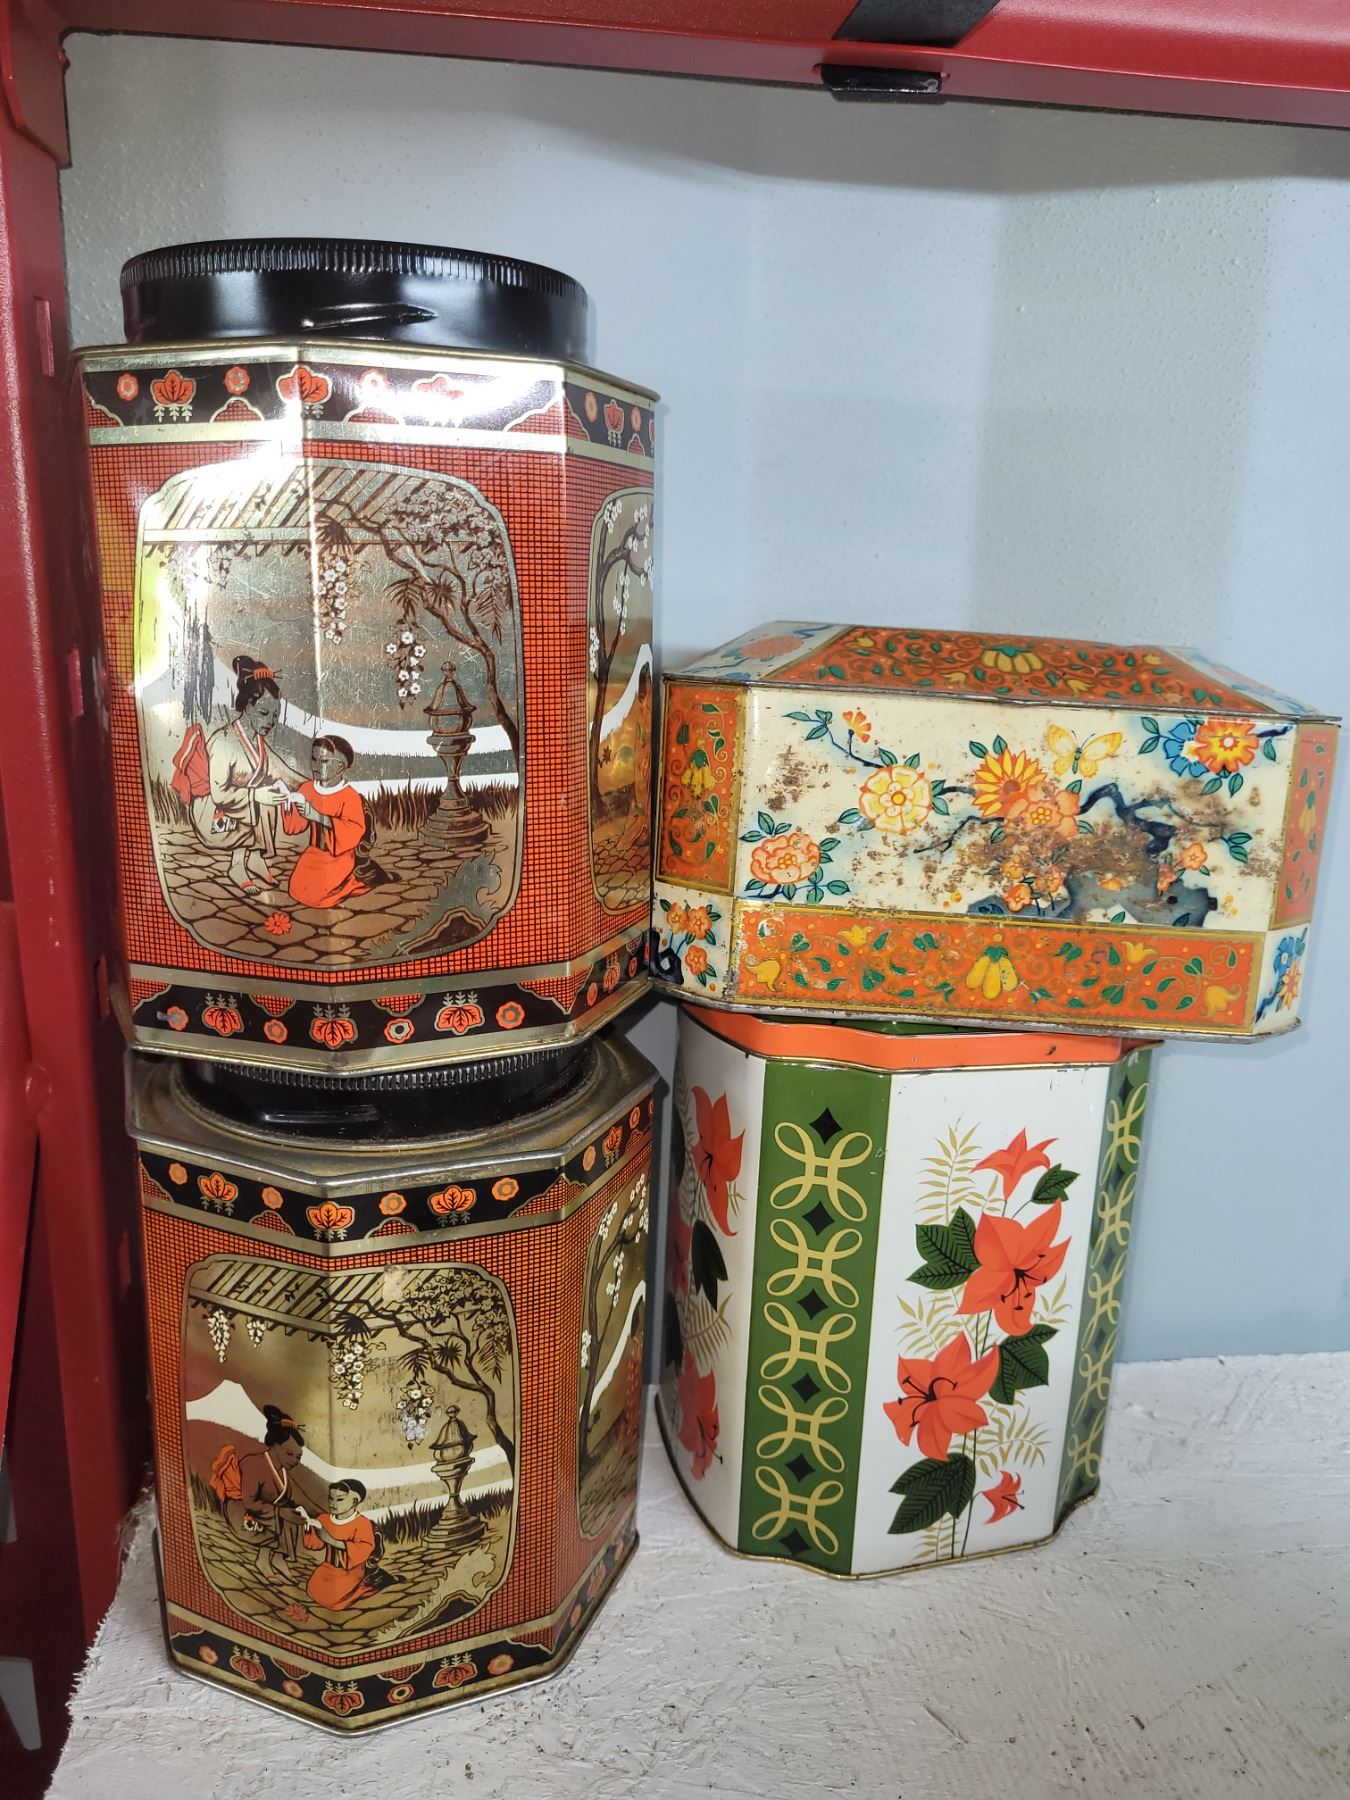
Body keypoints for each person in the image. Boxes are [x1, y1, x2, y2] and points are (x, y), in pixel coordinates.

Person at [171, 656, 304, 893]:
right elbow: (219, 795)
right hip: (211, 812)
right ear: (248, 706)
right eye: (264, 712)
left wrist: (313, 787)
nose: (271, 721)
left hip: (234, 808)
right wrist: (255, 796)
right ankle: (237, 866)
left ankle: (255, 858)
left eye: (275, 715)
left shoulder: (258, 743)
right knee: (260, 796)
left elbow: (282, 771)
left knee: (270, 791)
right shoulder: (224, 740)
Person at [209, 1405, 317, 1582]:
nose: (294, 1460)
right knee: (282, 1515)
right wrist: (280, 1512)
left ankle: (279, 1558)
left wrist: (322, 1516)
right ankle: (263, 1560)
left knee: (292, 1514)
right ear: (275, 1446)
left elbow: (300, 1498)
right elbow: (249, 1502)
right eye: (289, 1453)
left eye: (298, 1457)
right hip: (242, 1513)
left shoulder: (283, 1473)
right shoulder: (253, 1464)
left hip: (263, 1512)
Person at [281, 735, 377, 908]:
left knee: (317, 896)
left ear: (340, 766)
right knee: (296, 889)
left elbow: (354, 830)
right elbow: (293, 827)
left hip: (338, 857)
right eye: (314, 759)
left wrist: (318, 816)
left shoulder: (349, 796)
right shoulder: (307, 788)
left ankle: (352, 882)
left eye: (324, 761)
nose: (316, 766)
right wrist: (287, 801)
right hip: (314, 853)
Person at [296, 1478, 386, 1610]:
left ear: (354, 1502)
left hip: (351, 1570)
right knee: (313, 1589)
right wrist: (308, 1525)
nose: (333, 1503)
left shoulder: (362, 1523)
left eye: (339, 1499)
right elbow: (314, 1545)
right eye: (330, 1498)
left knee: (333, 1599)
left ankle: (364, 1587)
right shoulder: (324, 1519)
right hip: (329, 1567)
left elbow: (364, 1548)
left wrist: (332, 1541)